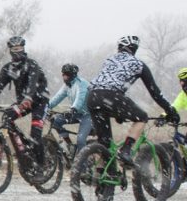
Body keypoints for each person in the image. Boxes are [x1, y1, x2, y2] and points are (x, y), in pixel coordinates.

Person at [86, 35, 179, 165]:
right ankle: (126, 150)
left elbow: (109, 82)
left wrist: (119, 112)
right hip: (111, 96)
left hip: (92, 96)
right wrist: (170, 111)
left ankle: (100, 174)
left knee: (105, 142)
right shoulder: (138, 64)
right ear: (134, 49)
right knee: (142, 117)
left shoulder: (109, 60)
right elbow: (155, 93)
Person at [0, 36, 50, 173]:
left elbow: (32, 83)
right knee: (7, 117)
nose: (18, 52)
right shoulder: (8, 68)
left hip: (40, 101)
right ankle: (23, 151)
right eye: (14, 49)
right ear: (10, 51)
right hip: (23, 102)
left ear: (24, 49)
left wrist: (28, 97)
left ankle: (41, 166)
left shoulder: (32, 64)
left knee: (35, 134)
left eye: (20, 49)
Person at [46, 63, 93, 155]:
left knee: (80, 140)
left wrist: (73, 109)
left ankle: (83, 164)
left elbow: (80, 98)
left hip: (88, 115)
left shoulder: (81, 83)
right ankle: (70, 146)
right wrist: (45, 107)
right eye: (63, 74)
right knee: (56, 121)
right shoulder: (67, 86)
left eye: (66, 75)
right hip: (76, 113)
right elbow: (57, 97)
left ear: (73, 75)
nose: (64, 77)